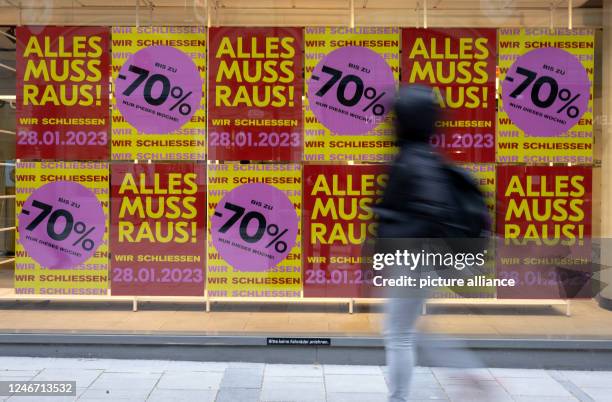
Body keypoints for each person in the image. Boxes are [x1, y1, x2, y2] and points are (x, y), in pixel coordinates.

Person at [374, 85, 459, 402]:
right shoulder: (423, 156)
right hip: (418, 261)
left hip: (413, 260)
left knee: (399, 333)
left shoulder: (411, 160)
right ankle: (464, 373)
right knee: (405, 329)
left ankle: (400, 397)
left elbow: (427, 210)